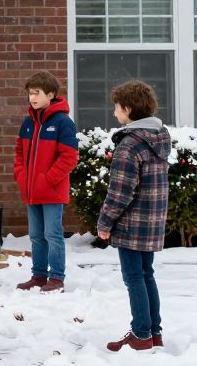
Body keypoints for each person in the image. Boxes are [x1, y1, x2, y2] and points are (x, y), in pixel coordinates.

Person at [98, 81, 171, 353]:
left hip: (131, 223)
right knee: (146, 275)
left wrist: (105, 222)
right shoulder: (159, 138)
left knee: (134, 277)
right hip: (152, 220)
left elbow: (120, 191)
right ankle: (154, 332)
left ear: (128, 109)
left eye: (116, 107)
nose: (114, 111)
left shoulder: (129, 144)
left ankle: (141, 334)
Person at [13, 71, 78, 293]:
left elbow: (69, 157)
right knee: (36, 236)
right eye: (30, 93)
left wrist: (48, 179)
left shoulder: (63, 122)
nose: (32, 97)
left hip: (52, 191)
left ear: (50, 95)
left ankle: (57, 278)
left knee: (52, 234)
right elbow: (19, 153)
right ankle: (39, 276)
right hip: (31, 191)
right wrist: (21, 175)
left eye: (37, 93)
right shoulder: (28, 123)